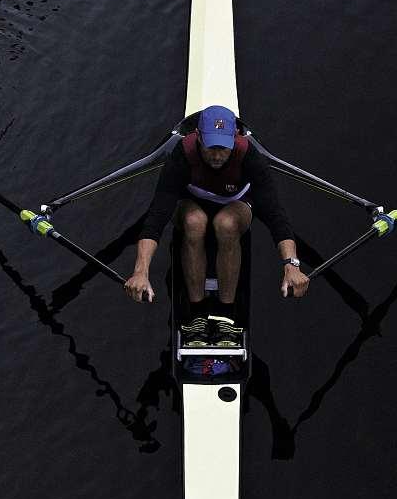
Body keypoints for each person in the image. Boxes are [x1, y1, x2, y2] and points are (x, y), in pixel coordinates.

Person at [123, 105, 310, 346]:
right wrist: (140, 271)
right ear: (198, 138)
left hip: (235, 205)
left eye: (223, 148)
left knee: (226, 223)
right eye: (211, 147)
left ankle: (227, 315)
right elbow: (156, 216)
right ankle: (196, 314)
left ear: (235, 139)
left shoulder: (249, 155)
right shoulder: (182, 155)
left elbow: (275, 215)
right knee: (194, 221)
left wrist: (291, 265)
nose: (217, 155)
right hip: (192, 204)